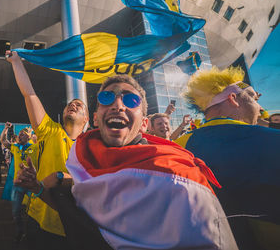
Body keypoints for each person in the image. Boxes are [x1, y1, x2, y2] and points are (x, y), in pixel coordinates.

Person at [16, 74, 237, 250]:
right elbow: (78, 216)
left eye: (130, 100)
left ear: (144, 123)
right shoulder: (82, 160)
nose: (118, 105)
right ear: (95, 118)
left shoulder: (177, 177)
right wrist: (39, 187)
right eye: (106, 98)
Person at [174, 67, 280, 249]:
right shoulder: (274, 139)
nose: (260, 108)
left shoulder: (178, 147)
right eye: (254, 99)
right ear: (232, 99)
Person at [5, 51, 89, 249]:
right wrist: (16, 62)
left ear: (86, 120)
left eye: (79, 106)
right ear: (63, 113)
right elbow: (29, 93)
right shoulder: (50, 131)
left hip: (73, 226)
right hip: (40, 220)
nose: (73, 105)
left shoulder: (91, 145)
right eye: (70, 104)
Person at [1, 123, 36, 242]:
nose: (20, 136)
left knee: (34, 213)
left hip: (33, 185)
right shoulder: (15, 147)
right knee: (16, 212)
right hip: (18, 185)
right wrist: (6, 128)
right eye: (19, 134)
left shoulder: (34, 147)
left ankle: (32, 234)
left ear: (29, 137)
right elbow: (3, 140)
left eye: (23, 134)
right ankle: (20, 231)